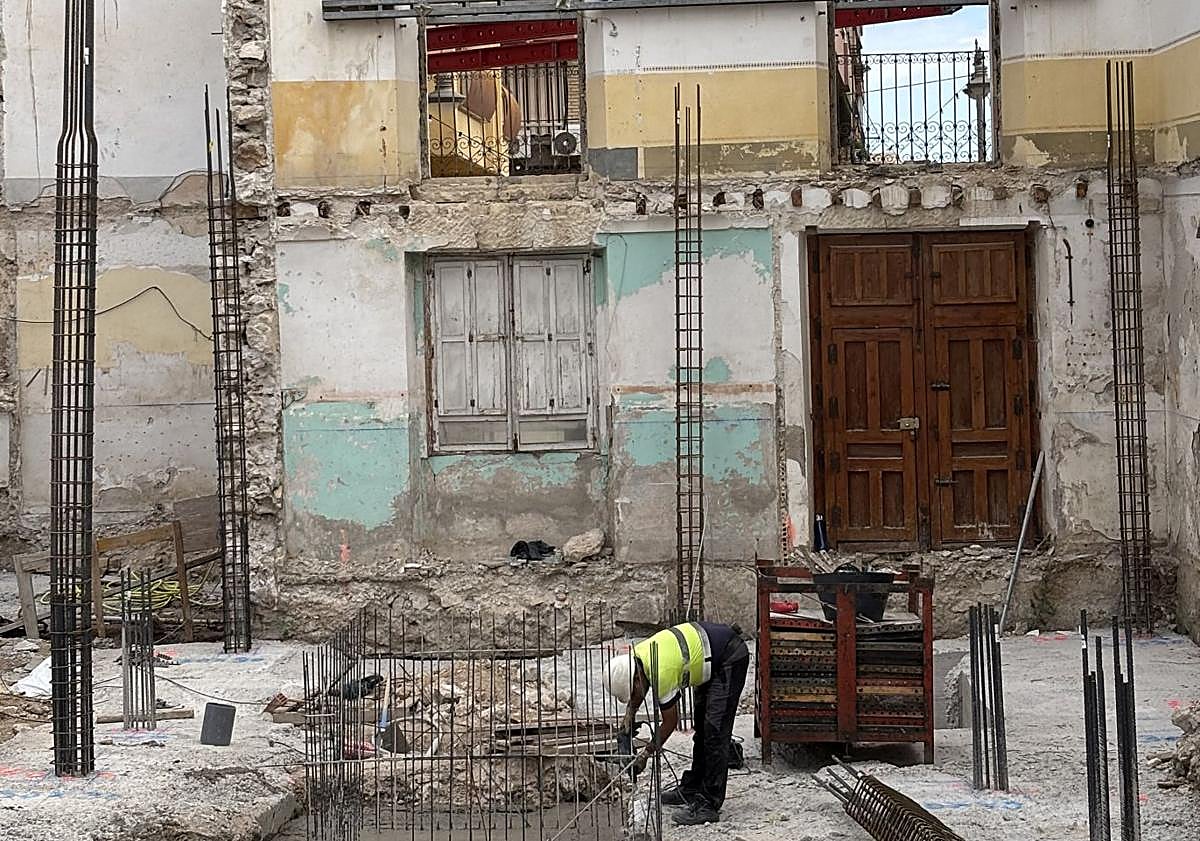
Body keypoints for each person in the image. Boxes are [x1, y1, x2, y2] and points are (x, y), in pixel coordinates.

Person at [603, 620, 750, 826]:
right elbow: (637, 691)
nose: (634, 697)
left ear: (636, 678)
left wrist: (645, 754)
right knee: (702, 729)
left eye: (632, 693)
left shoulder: (660, 672)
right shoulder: (639, 657)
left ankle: (708, 803)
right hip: (709, 655)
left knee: (715, 732)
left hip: (729, 657)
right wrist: (629, 715)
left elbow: (671, 721)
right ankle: (692, 787)